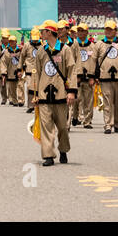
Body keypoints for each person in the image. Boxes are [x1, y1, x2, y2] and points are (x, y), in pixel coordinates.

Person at [31, 20, 77, 166]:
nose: (41, 34)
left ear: (49, 32)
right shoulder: (41, 51)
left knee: (62, 127)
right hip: (44, 95)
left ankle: (63, 150)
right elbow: (36, 73)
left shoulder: (65, 50)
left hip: (61, 95)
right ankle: (48, 155)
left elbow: (72, 70)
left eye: (43, 31)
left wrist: (71, 92)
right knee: (46, 127)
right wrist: (35, 93)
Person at [71, 23, 99, 128]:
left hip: (88, 77)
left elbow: (95, 62)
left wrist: (93, 77)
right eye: (79, 31)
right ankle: (75, 116)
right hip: (76, 78)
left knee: (88, 101)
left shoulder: (92, 46)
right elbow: (70, 61)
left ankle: (87, 121)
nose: (80, 33)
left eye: (83, 31)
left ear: (87, 32)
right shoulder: (73, 45)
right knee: (76, 99)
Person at [0, 34, 24, 106]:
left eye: (13, 41)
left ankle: (21, 100)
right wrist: (3, 73)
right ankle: (14, 101)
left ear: (16, 42)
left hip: (20, 71)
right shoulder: (6, 51)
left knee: (20, 86)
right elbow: (4, 63)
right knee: (12, 88)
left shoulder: (21, 50)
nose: (12, 43)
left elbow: (24, 59)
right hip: (11, 72)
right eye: (10, 42)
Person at [22, 27, 41, 113]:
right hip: (29, 69)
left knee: (39, 88)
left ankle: (39, 104)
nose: (35, 41)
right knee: (30, 87)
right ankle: (30, 105)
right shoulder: (27, 45)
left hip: (39, 70)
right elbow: (22, 56)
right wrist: (19, 69)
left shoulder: (43, 45)